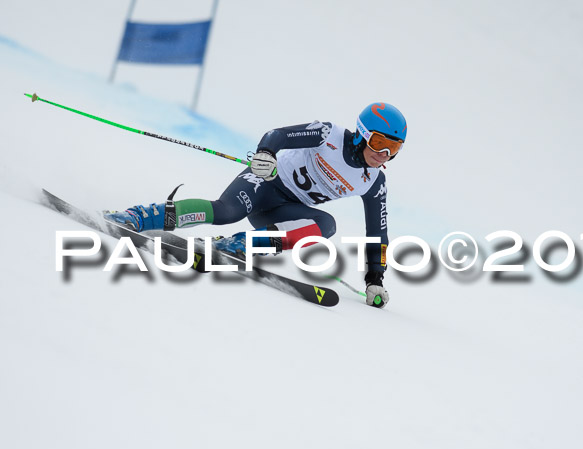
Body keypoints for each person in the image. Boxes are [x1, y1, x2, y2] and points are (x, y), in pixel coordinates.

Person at [106, 102, 407, 308]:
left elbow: (377, 235)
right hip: (265, 182)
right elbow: (278, 135)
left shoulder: (373, 182)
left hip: (283, 212)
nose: (384, 154)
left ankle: (238, 246)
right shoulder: (330, 135)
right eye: (381, 142)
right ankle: (138, 217)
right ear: (364, 134)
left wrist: (375, 279)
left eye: (394, 148)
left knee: (326, 225)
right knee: (226, 212)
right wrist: (266, 153)